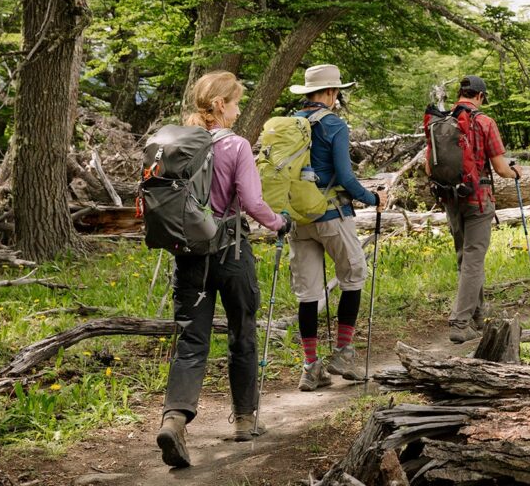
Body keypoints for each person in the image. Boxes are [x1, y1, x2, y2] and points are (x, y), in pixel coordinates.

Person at [156, 71, 292, 468]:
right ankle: (245, 421)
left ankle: (175, 419)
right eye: (235, 103)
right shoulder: (236, 146)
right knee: (241, 332)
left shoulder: (176, 144)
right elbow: (251, 201)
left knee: (191, 341)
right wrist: (279, 223)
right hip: (231, 254)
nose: (237, 110)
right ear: (219, 105)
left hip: (189, 257)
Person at [286, 64, 387, 391]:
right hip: (332, 216)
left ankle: (310, 367)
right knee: (353, 276)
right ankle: (343, 354)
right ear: (330, 93)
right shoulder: (334, 125)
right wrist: (372, 198)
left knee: (309, 294)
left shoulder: (290, 125)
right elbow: (344, 177)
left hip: (299, 220)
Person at [425, 75, 522, 343]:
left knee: (464, 257)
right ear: (479, 96)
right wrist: (515, 173)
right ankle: (460, 323)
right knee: (474, 259)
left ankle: (477, 315)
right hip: (478, 198)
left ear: (460, 93)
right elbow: (501, 169)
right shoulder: (484, 122)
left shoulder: (442, 121)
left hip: (450, 198)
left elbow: (427, 166)